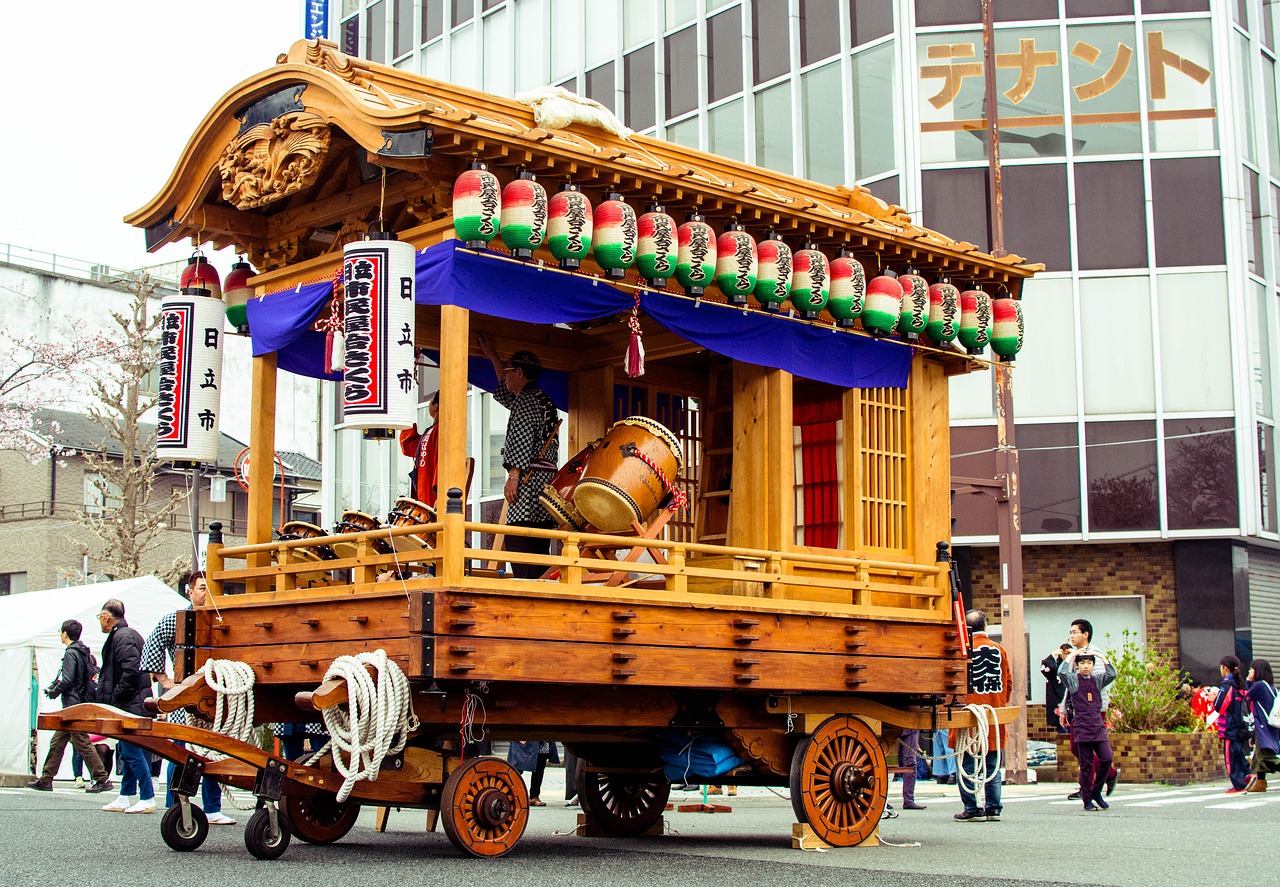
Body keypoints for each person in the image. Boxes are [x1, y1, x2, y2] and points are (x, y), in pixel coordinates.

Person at [140, 572, 235, 825]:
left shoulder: (224, 619)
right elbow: (151, 643)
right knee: (181, 753)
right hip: (186, 697)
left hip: (217, 699)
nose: (206, 593)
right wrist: (165, 682)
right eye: (202, 588)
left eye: (210, 589)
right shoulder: (176, 620)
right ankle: (174, 806)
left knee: (212, 753)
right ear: (189, 591)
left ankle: (213, 809)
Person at [478, 333, 559, 579]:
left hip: (528, 480)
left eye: (508, 370)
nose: (505, 374)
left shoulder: (525, 401)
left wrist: (513, 475)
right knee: (538, 545)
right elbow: (504, 392)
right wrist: (493, 356)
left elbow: (520, 438)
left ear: (520, 374)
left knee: (519, 539)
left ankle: (531, 590)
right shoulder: (543, 399)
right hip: (545, 484)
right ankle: (542, 587)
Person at [27, 619, 113, 794]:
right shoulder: (82, 652)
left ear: (65, 634)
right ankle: (46, 778)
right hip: (79, 702)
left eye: (60, 631)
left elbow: (67, 679)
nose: (60, 634)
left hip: (72, 705)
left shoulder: (71, 653)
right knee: (57, 741)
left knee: (81, 741)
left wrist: (53, 691)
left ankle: (102, 778)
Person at [93, 598, 156, 814]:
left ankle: (147, 796)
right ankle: (125, 796)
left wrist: (115, 698)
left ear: (105, 617)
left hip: (129, 703)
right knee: (127, 751)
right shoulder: (126, 634)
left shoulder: (122, 636)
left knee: (131, 751)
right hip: (133, 701)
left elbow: (131, 671)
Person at [951, 609, 1011, 823]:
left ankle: (972, 807)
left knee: (967, 763)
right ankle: (993, 807)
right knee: (992, 762)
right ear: (985, 626)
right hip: (992, 715)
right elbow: (1008, 683)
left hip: (968, 715)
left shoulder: (961, 651)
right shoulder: (999, 650)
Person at [1062, 618, 1120, 799]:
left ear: (1085, 634)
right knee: (1077, 748)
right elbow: (1070, 683)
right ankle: (1105, 776)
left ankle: (1092, 785)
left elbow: (1099, 681)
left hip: (1092, 710)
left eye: (1075, 632)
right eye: (1070, 632)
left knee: (1084, 749)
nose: (1071, 636)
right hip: (1077, 710)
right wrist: (1064, 708)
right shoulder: (1076, 654)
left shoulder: (1093, 654)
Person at [1214, 654, 1251, 793]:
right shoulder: (1240, 683)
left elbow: (1220, 705)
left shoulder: (1227, 684)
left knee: (1230, 756)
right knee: (1237, 752)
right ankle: (1247, 774)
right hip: (1241, 724)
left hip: (1230, 725)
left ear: (1224, 668)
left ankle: (1238, 785)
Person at [399, 390, 440, 509]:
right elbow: (408, 446)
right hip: (425, 496)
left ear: (436, 406)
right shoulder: (432, 432)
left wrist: (441, 494)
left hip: (433, 497)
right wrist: (405, 421)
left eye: (431, 401)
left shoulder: (440, 431)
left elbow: (443, 463)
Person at [1245, 658, 1279, 792]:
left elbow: (1246, 695)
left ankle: (1261, 783)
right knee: (1258, 756)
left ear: (1257, 670)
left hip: (1263, 726)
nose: (1249, 671)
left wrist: (1248, 680)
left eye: (1251, 669)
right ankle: (1260, 783)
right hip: (1268, 726)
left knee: (1266, 757)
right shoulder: (1272, 688)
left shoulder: (1259, 686)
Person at [506, 740, 559, 806]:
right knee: (517, 769)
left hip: (542, 739)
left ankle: (534, 796)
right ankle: (508, 792)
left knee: (539, 767)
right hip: (524, 737)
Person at [1040, 643, 1072, 734]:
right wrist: (1053, 654)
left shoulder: (1076, 666)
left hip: (1072, 701)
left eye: (1068, 654)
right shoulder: (1055, 667)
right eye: (1064, 653)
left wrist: (1074, 653)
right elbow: (1045, 668)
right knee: (1063, 730)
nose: (1066, 656)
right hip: (1059, 699)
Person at [899, 729, 926, 810]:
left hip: (910, 727)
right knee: (889, 763)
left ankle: (909, 799)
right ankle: (908, 799)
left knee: (910, 764)